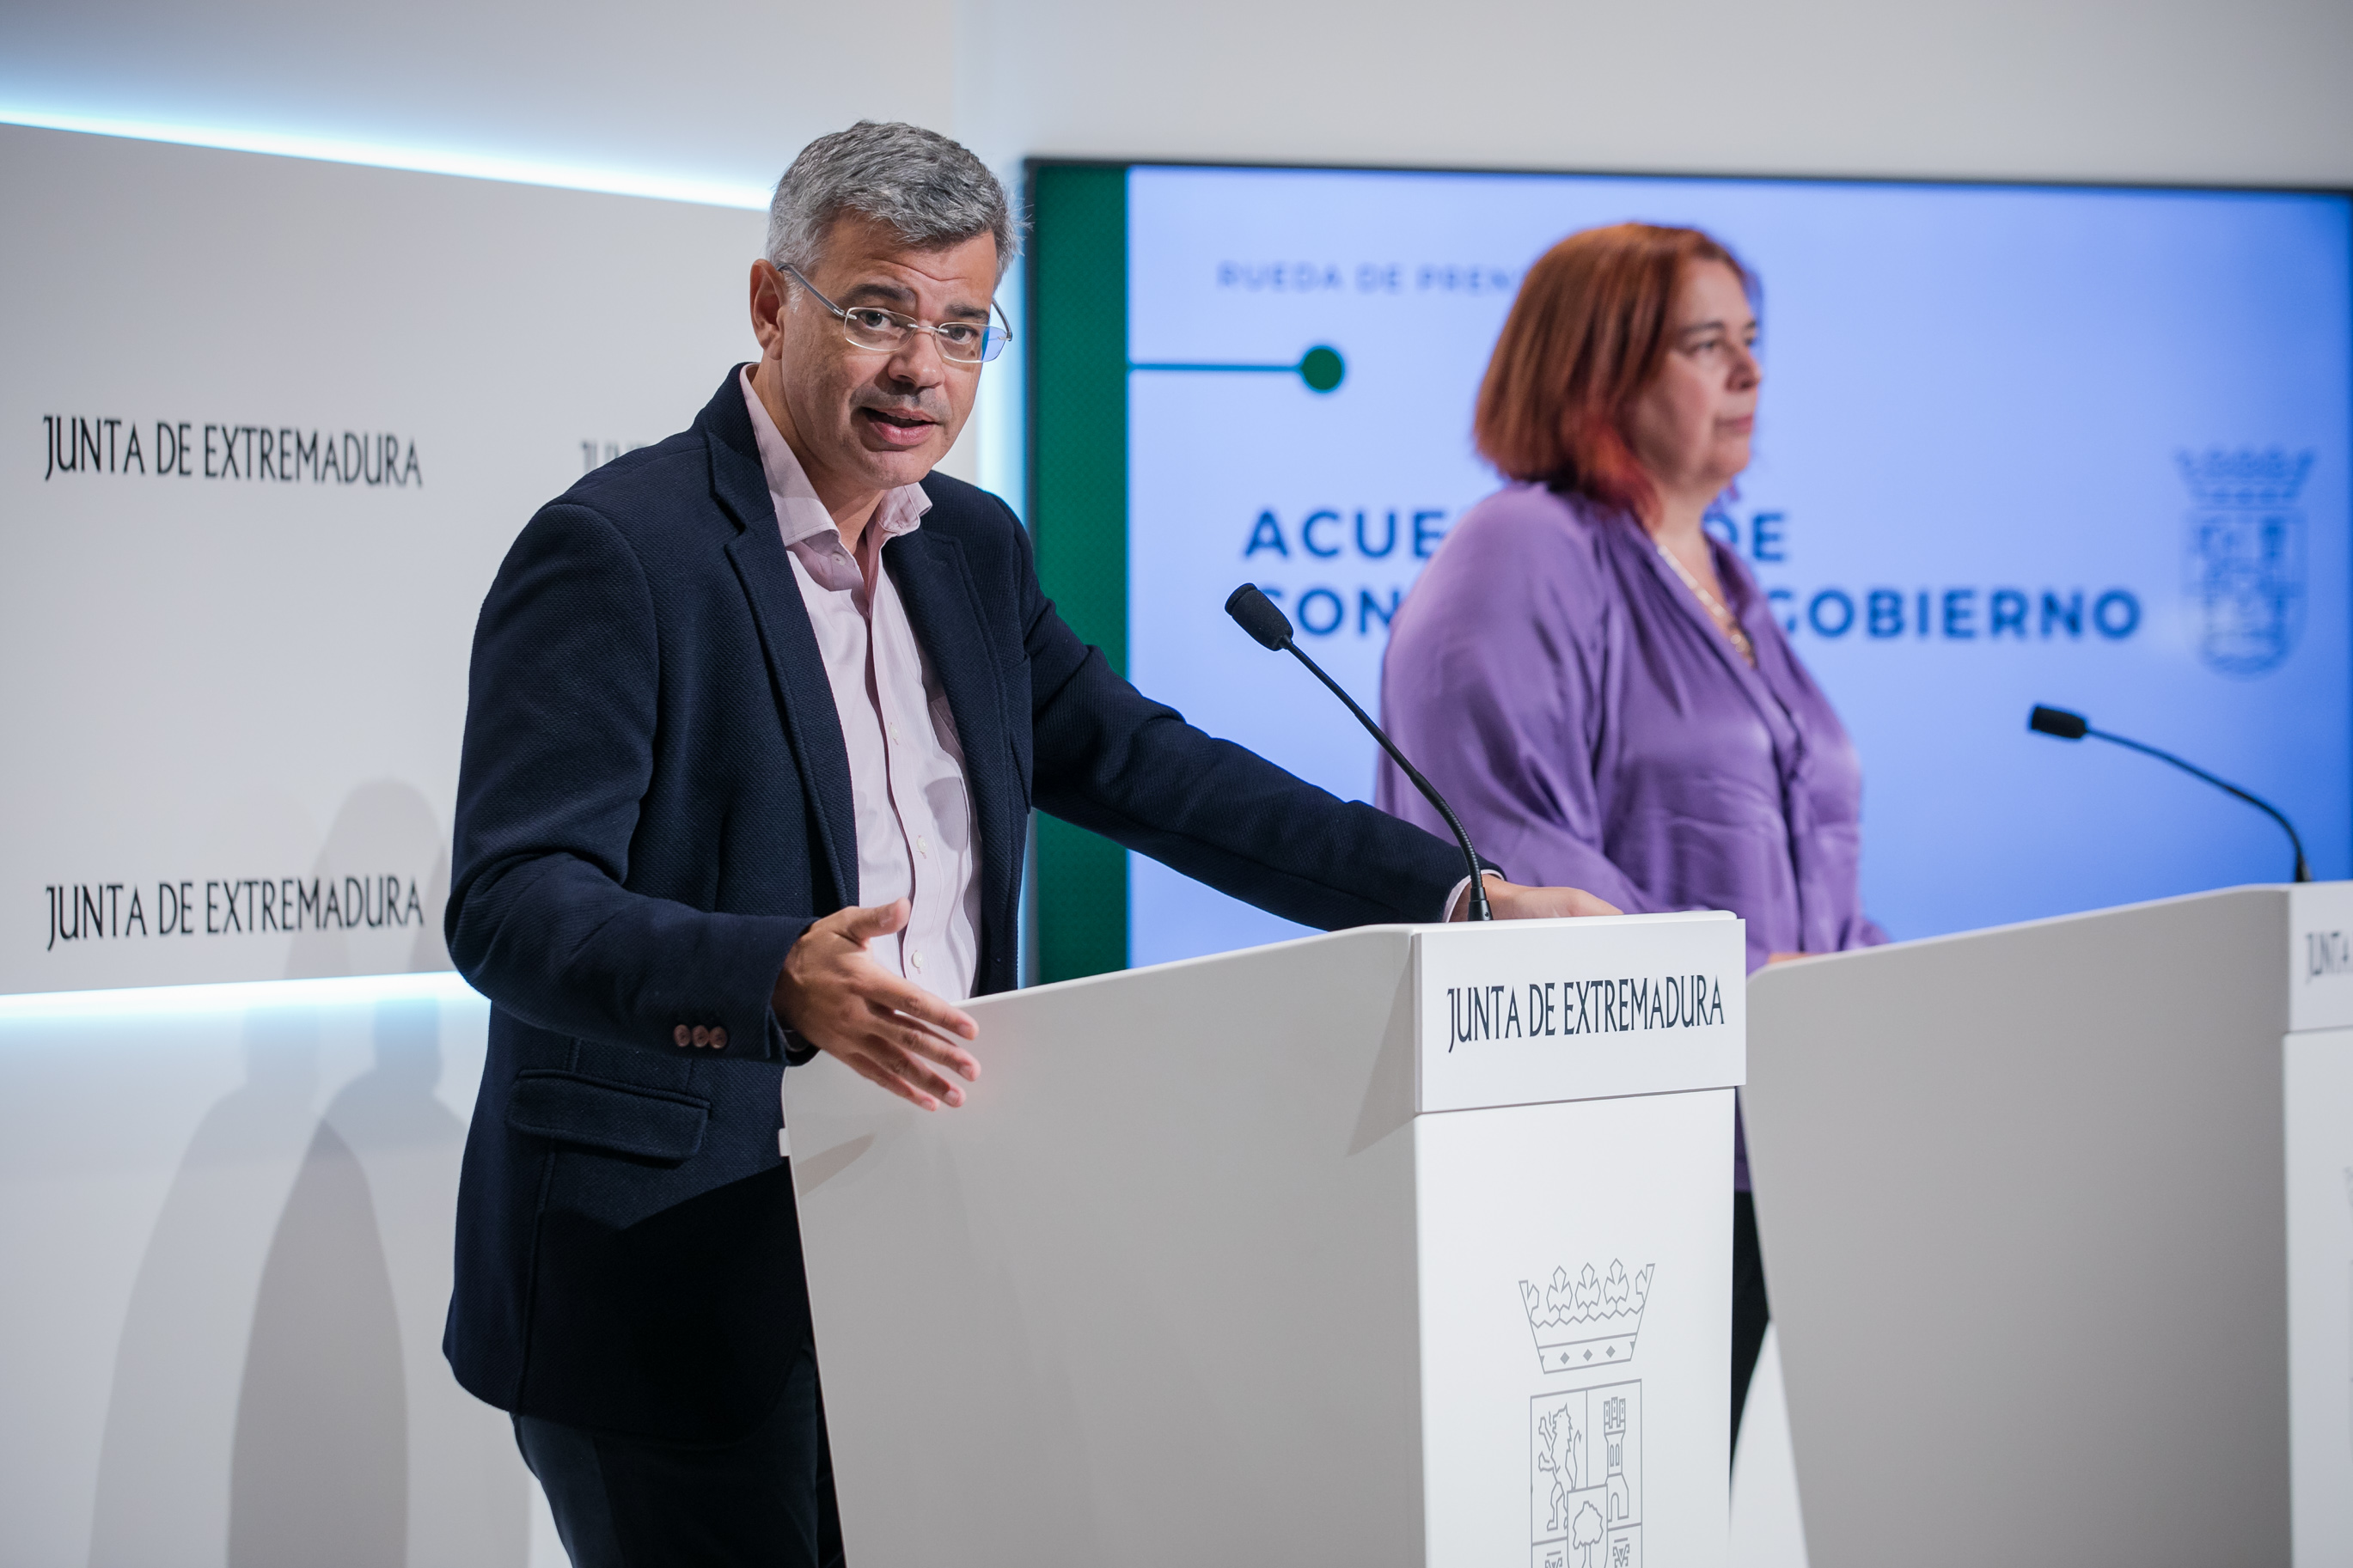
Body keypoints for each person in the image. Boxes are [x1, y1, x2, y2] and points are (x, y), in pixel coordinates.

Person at [442, 120, 1615, 1568]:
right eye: (874, 312)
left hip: (922, 1229)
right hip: (673, 1268)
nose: (918, 368)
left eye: (958, 326)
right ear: (770, 304)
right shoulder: (620, 549)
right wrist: (770, 979)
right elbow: (511, 902)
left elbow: (1148, 769)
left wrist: (1452, 894)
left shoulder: (968, 548)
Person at [1373, 222, 1887, 1456]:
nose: (1748, 374)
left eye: (1750, 342)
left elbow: (1813, 863)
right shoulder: (1523, 551)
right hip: (1613, 1157)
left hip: (1771, 1139)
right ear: (1593, 373)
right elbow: (1514, 859)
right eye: (1705, 345)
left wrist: (1884, 994)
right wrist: (1764, 989)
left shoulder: (1723, 574)